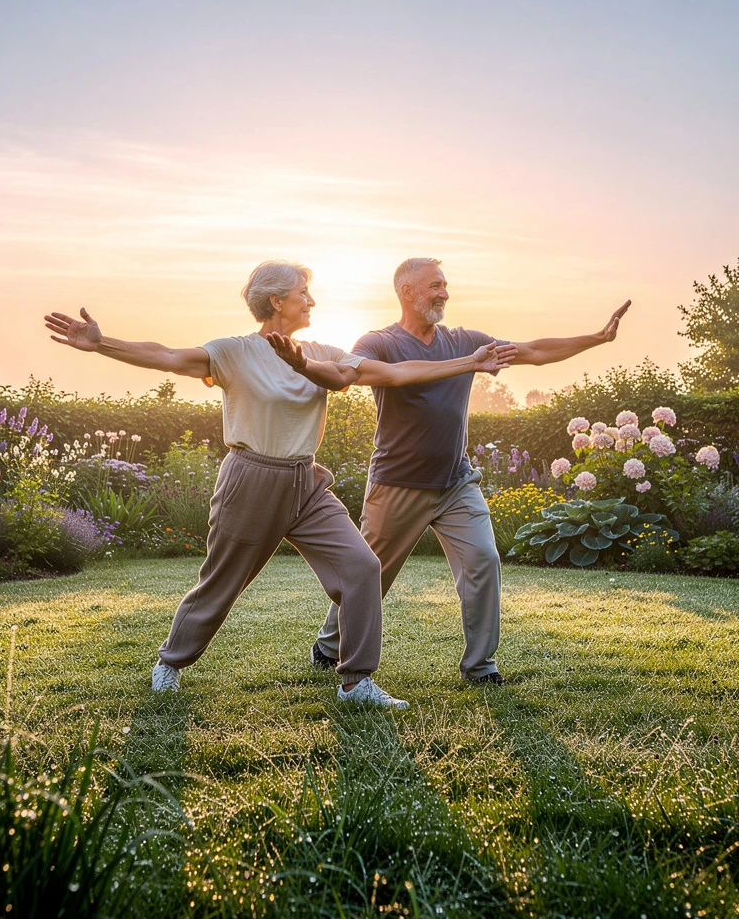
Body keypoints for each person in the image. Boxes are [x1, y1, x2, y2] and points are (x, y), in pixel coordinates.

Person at [44, 260, 518, 709]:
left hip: (306, 481)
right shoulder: (234, 351)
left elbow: (392, 373)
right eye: (301, 294)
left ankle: (357, 681)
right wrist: (102, 344)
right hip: (251, 479)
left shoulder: (322, 354)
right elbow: (169, 356)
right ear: (275, 302)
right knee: (222, 583)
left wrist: (467, 363)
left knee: (361, 567)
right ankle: (171, 661)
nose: (310, 301)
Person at [310, 257, 631, 685]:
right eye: (434, 286)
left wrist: (597, 338)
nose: (444, 293)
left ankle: (480, 666)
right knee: (372, 575)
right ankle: (330, 645)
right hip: (397, 485)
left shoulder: (467, 340)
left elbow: (533, 351)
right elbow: (366, 373)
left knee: (483, 559)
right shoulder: (379, 341)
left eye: (445, 285)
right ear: (407, 292)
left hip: (456, 482)